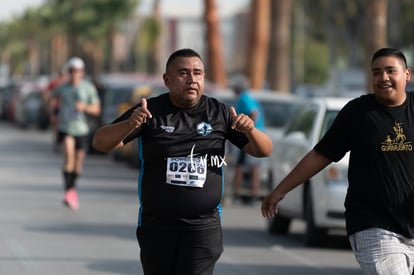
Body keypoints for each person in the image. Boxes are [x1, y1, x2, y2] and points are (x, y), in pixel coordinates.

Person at [92, 48, 272, 275]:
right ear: (167, 80)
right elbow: (100, 142)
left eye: (198, 73)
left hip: (203, 226)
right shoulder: (150, 111)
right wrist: (129, 125)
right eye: (183, 73)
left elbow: (264, 150)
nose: (191, 79)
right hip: (157, 225)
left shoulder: (220, 113)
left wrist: (251, 130)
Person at [262, 47, 414, 274]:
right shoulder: (358, 113)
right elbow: (320, 155)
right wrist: (281, 190)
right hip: (374, 224)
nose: (383, 78)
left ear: (407, 74)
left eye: (390, 71)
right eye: (376, 72)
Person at [49, 57, 101, 210]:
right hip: (66, 128)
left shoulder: (88, 88)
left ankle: (73, 189)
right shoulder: (62, 88)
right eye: (71, 71)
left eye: (77, 71)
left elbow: (97, 109)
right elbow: (51, 97)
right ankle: (68, 192)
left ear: (82, 72)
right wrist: (53, 113)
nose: (74, 74)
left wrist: (84, 107)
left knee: (78, 164)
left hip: (82, 129)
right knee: (69, 159)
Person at [231, 76, 267, 205]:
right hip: (248, 136)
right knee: (240, 166)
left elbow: (254, 113)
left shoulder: (244, 98)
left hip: (251, 137)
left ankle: (253, 195)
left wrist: (249, 129)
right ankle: (238, 194)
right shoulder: (247, 97)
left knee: (253, 167)